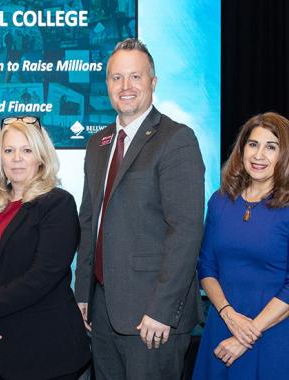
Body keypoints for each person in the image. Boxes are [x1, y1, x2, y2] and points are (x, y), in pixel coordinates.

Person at [74, 38, 205, 379]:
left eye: (135, 77)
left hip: (153, 316)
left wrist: (163, 311)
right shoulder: (98, 143)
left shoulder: (176, 140)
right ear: (107, 85)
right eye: (117, 78)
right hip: (102, 311)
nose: (126, 86)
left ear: (153, 82)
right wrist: (83, 292)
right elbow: (90, 222)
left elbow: (187, 231)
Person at [0, 116, 90, 380]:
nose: (16, 158)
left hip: (43, 352)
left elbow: (42, 276)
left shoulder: (58, 203)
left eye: (26, 150)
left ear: (41, 157)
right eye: (9, 151)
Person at [192, 112, 289, 379]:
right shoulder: (220, 201)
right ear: (242, 148)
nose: (259, 155)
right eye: (253, 144)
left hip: (273, 335)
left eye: (271, 147)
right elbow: (207, 267)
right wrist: (227, 313)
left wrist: (247, 335)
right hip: (222, 326)